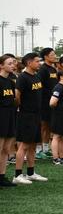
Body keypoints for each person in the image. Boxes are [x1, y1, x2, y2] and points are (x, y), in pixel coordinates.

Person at [13, 52, 47, 185]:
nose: (39, 63)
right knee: (24, 145)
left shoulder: (37, 76)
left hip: (36, 115)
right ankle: (17, 174)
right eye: (37, 61)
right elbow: (17, 96)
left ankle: (31, 173)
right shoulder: (22, 77)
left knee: (33, 145)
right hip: (26, 115)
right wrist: (23, 108)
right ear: (29, 63)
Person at [0, 55, 17, 187]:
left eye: (13, 63)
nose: (13, 65)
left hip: (10, 116)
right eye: (9, 63)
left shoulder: (11, 82)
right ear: (1, 65)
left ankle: (2, 176)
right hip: (1, 117)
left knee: (6, 149)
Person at [37, 47, 57, 159]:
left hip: (52, 101)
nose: (55, 56)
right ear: (46, 57)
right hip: (44, 101)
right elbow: (40, 86)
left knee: (49, 125)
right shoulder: (43, 69)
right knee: (43, 126)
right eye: (52, 54)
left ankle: (46, 148)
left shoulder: (53, 69)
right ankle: (38, 150)